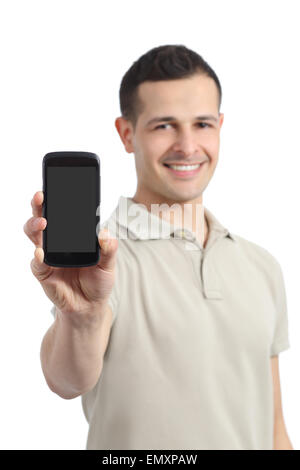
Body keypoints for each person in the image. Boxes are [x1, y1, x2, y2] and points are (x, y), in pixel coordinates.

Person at [23, 44, 293, 450]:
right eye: (164, 125)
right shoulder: (103, 263)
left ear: (220, 126)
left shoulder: (262, 267)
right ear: (127, 134)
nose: (187, 146)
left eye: (202, 124)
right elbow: (66, 380)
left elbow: (274, 429)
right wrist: (82, 316)